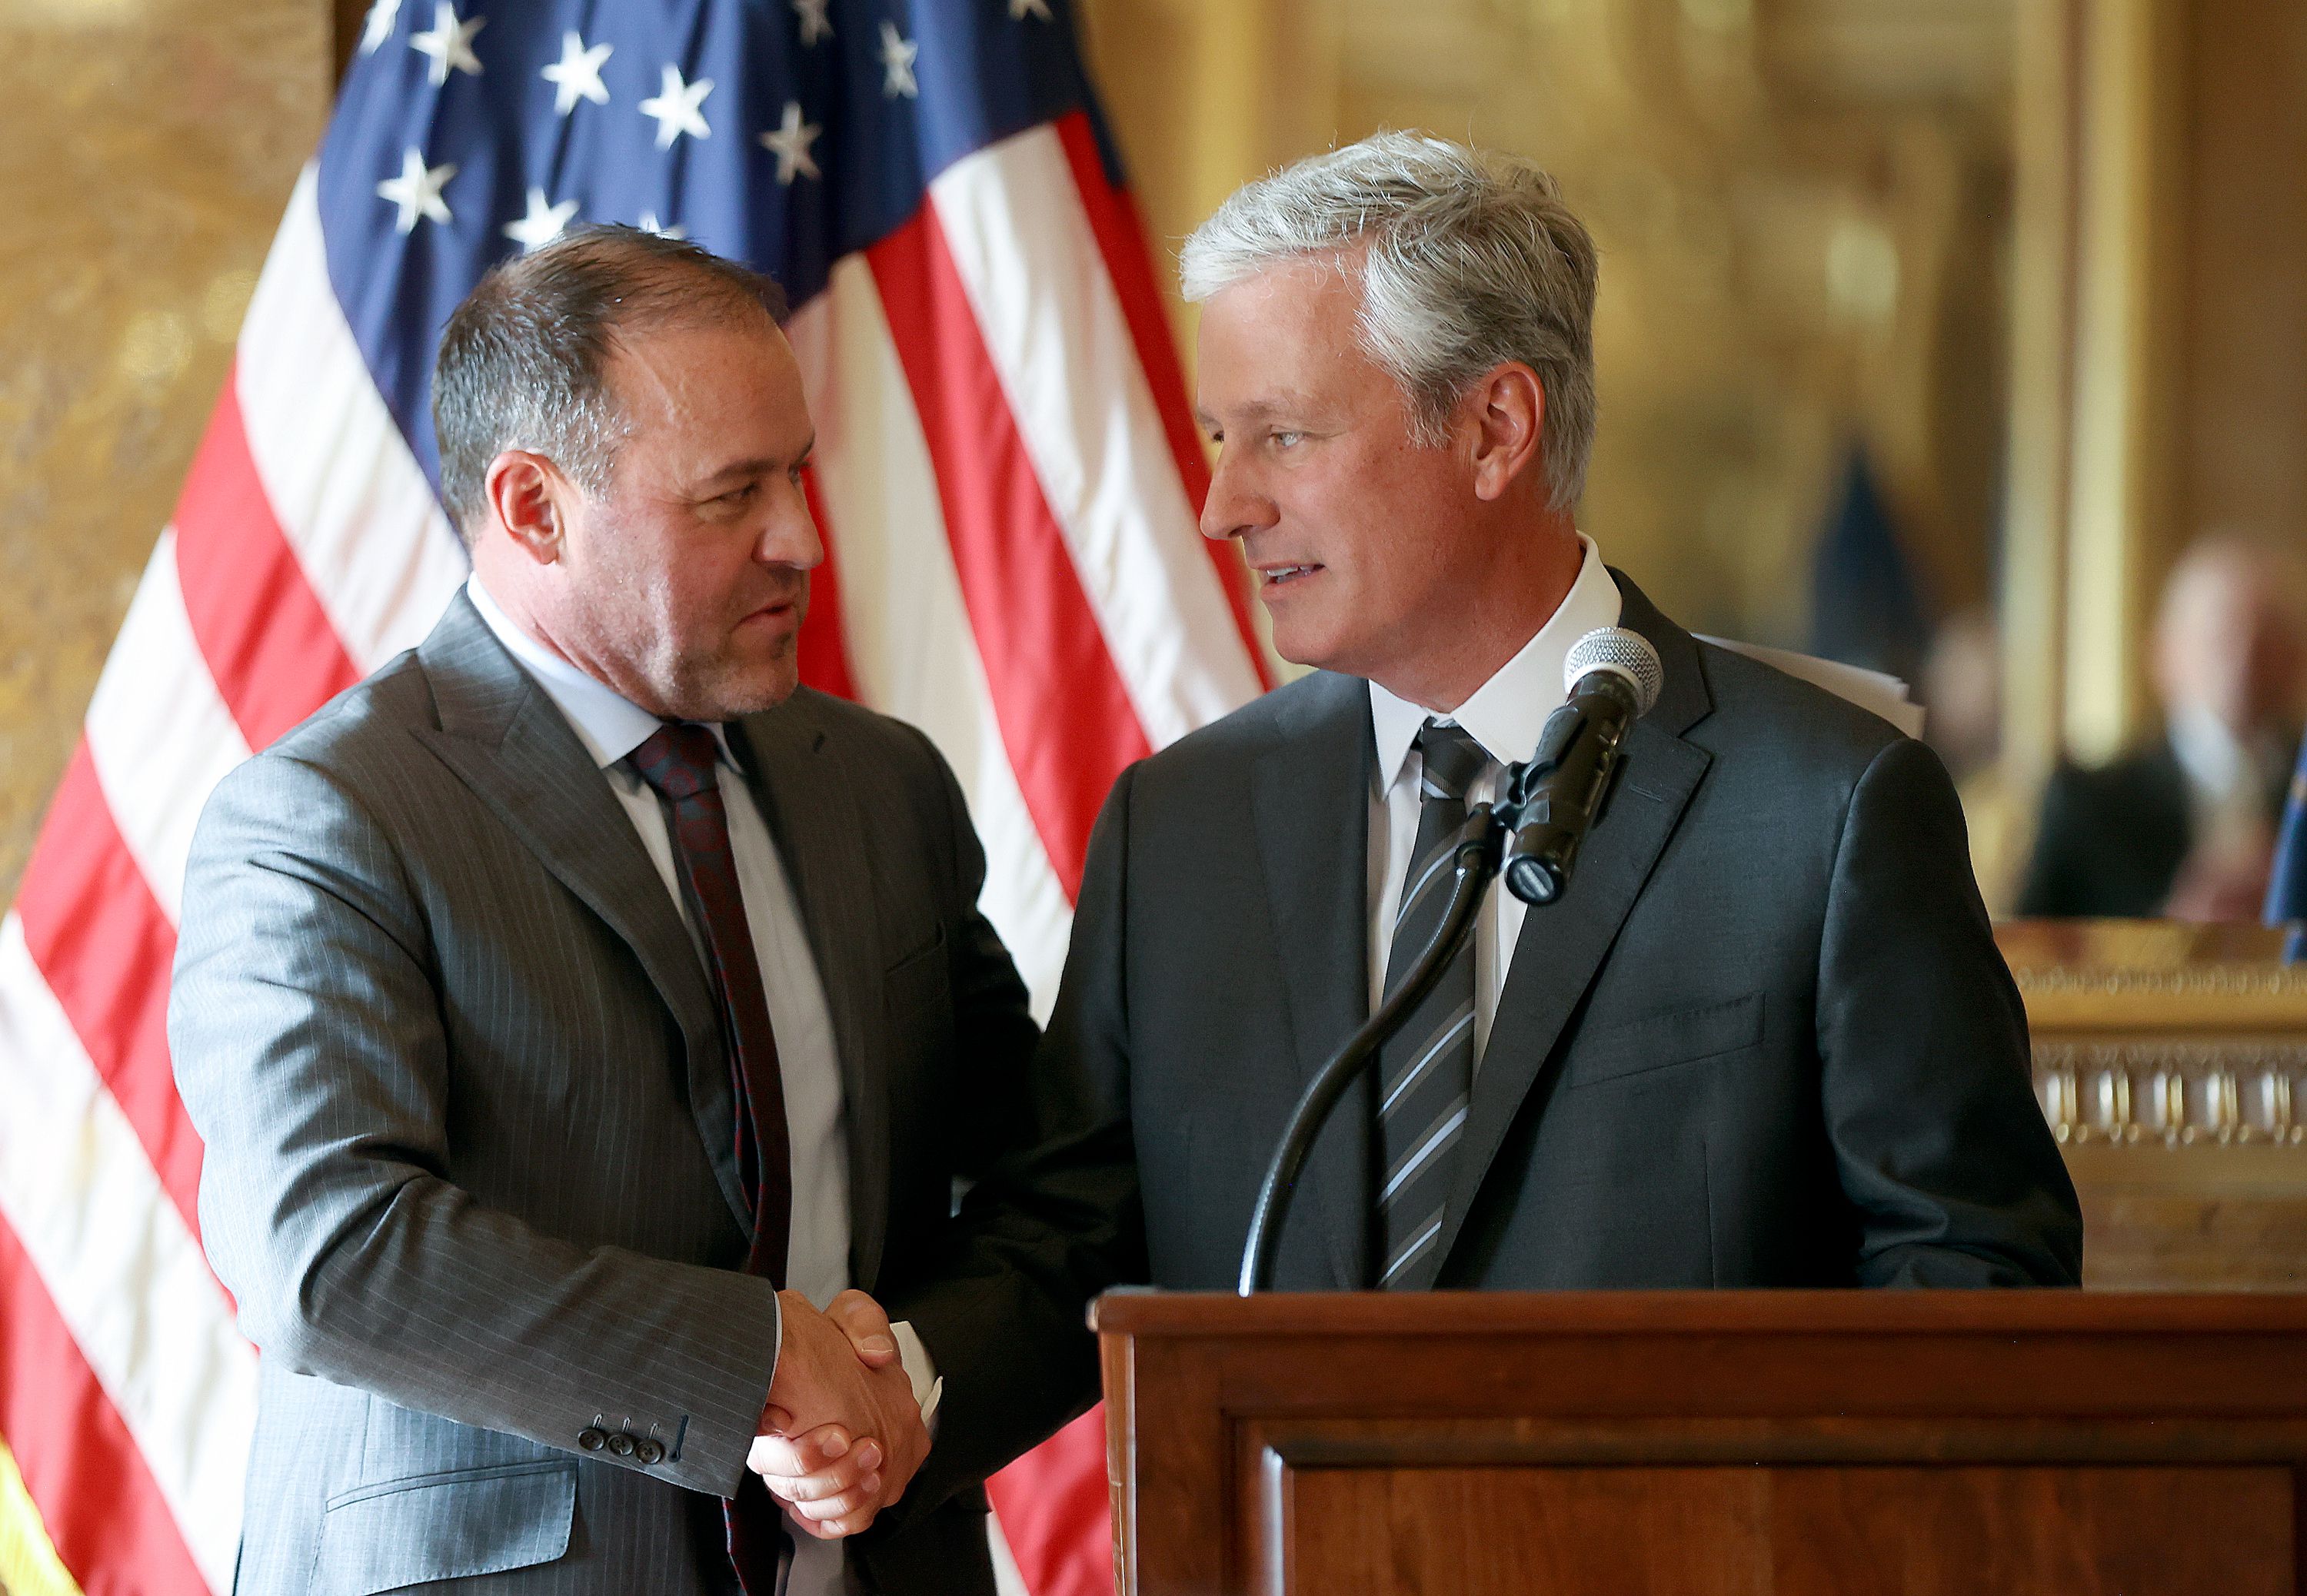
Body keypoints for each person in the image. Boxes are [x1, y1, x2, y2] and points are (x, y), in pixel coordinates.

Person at [967, 133, 2081, 1307]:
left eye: (1283, 437)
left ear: (1495, 428)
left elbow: (1973, 1277)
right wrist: (884, 1396)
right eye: (1218, 439)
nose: (1223, 506)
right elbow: (1066, 1235)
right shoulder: (1180, 824)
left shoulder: (1828, 809)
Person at [170, 230, 1088, 1595]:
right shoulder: (327, 815)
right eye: (732, 495)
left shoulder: (882, 785)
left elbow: (1048, 1188)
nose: (803, 539)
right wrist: (756, 1361)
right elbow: (325, 1251)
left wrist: (912, 1380)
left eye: (800, 473)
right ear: (535, 507)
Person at [2019, 535, 2307, 920]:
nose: (2243, 660)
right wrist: (2171, 932)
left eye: (2266, 639)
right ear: (2165, 653)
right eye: (2221, 636)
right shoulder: (2088, 805)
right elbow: (2028, 961)